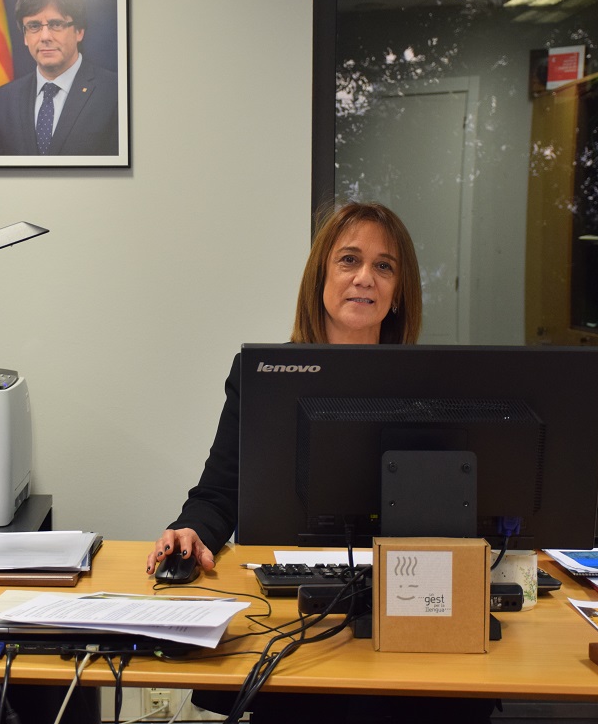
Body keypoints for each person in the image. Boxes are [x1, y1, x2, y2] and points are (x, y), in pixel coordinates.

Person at [146, 201, 422, 575]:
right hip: (281, 577)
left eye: (384, 266)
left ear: (399, 291)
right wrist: (192, 531)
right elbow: (220, 493)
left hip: (397, 579)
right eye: (349, 260)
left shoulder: (422, 385)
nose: (364, 278)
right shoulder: (260, 377)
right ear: (320, 276)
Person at [0, 0, 119, 157]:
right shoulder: (3, 100)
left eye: (56, 24)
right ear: (25, 36)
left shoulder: (115, 92)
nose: (45, 37)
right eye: (34, 26)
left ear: (79, 31)